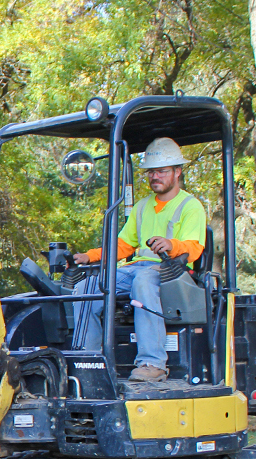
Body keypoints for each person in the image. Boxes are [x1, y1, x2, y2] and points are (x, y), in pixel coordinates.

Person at [72, 136, 207, 383]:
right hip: (137, 267)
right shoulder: (142, 206)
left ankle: (152, 362)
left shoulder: (190, 206)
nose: (155, 176)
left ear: (177, 172)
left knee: (143, 281)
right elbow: (123, 245)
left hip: (171, 272)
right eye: (151, 172)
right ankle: (88, 360)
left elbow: (195, 248)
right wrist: (89, 256)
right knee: (86, 287)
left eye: (162, 171)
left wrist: (171, 245)